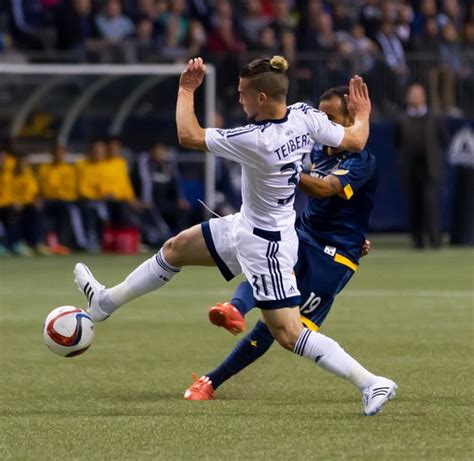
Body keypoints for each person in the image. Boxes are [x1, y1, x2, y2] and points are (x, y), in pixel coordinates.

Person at [74, 56, 395, 415]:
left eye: (243, 94)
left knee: (288, 334)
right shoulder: (305, 116)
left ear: (261, 98)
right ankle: (106, 303)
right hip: (248, 223)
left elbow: (187, 135)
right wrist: (363, 113)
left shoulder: (255, 139)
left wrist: (185, 89)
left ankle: (371, 382)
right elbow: (356, 137)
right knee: (175, 247)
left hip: (266, 244)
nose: (239, 100)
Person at [183, 86, 379, 404]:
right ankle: (233, 310)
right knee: (268, 275)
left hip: (333, 258)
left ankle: (212, 379)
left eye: (329, 117)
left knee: (280, 329)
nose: (321, 122)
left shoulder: (360, 160)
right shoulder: (317, 151)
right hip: (303, 235)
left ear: (348, 121)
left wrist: (282, 168)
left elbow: (326, 189)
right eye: (319, 114)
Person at [394, 83, 448, 249]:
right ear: (407, 97)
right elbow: (397, 142)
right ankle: (417, 240)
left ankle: (435, 239)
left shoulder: (434, 117)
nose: (415, 97)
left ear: (424, 97)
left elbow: (444, 139)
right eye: (413, 94)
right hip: (410, 168)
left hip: (430, 167)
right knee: (413, 203)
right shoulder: (401, 119)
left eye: (418, 94)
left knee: (430, 202)